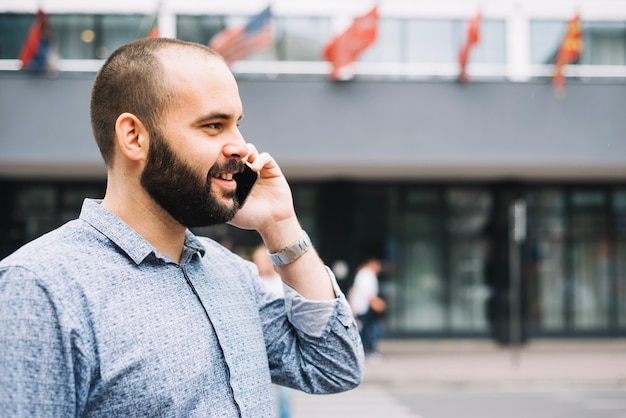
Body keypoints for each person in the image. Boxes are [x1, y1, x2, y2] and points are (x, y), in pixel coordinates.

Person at [0, 37, 363, 417]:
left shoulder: (231, 276)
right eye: (213, 125)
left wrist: (281, 224)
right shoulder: (40, 289)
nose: (241, 146)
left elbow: (333, 366)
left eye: (236, 125)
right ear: (134, 137)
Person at [252, 245, 293, 418]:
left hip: (281, 346)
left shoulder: (280, 282)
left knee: (285, 395)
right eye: (257, 261)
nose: (259, 264)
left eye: (262, 260)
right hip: (258, 346)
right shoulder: (254, 281)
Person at [348, 258, 386, 357]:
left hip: (363, 306)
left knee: (365, 329)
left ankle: (363, 350)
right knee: (369, 329)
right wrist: (377, 304)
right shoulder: (366, 275)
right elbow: (367, 292)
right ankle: (368, 350)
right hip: (364, 307)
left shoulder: (363, 274)